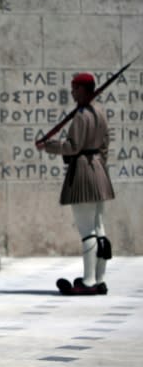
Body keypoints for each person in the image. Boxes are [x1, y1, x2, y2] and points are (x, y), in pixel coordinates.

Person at [36, 72, 115, 295]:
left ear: (83, 89)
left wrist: (49, 146)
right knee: (99, 229)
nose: (72, 92)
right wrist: (98, 164)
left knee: (87, 230)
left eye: (75, 88)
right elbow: (105, 145)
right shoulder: (100, 112)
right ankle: (99, 279)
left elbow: (72, 146)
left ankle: (88, 282)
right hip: (99, 170)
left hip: (83, 172)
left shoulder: (82, 115)